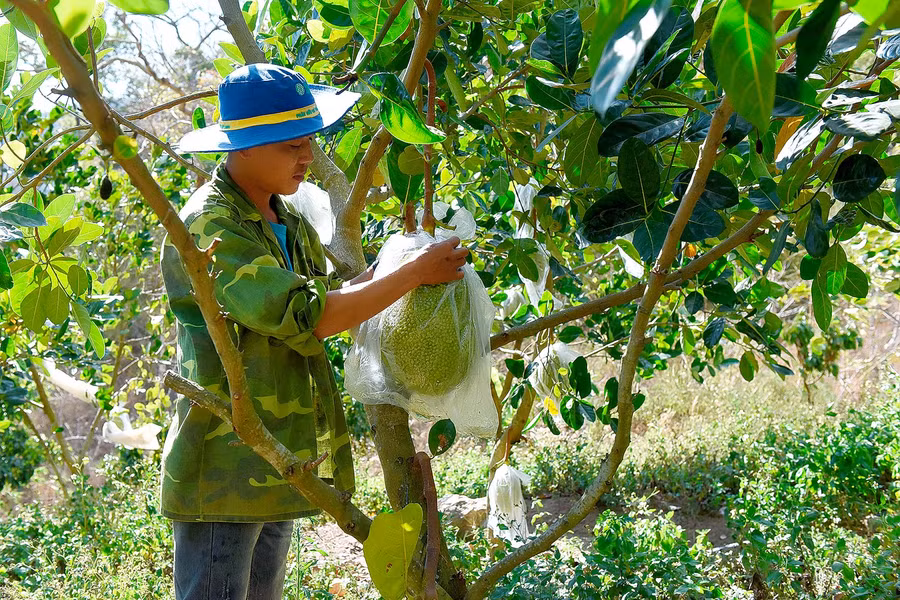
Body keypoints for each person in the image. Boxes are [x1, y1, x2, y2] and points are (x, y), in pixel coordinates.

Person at [161, 63, 467, 600]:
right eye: (289, 145)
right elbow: (312, 316)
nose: (306, 156)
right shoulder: (210, 226)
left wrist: (404, 261)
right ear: (243, 147)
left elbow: (328, 295)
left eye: (309, 142)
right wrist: (413, 274)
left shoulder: (289, 221)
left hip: (282, 456)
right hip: (225, 468)